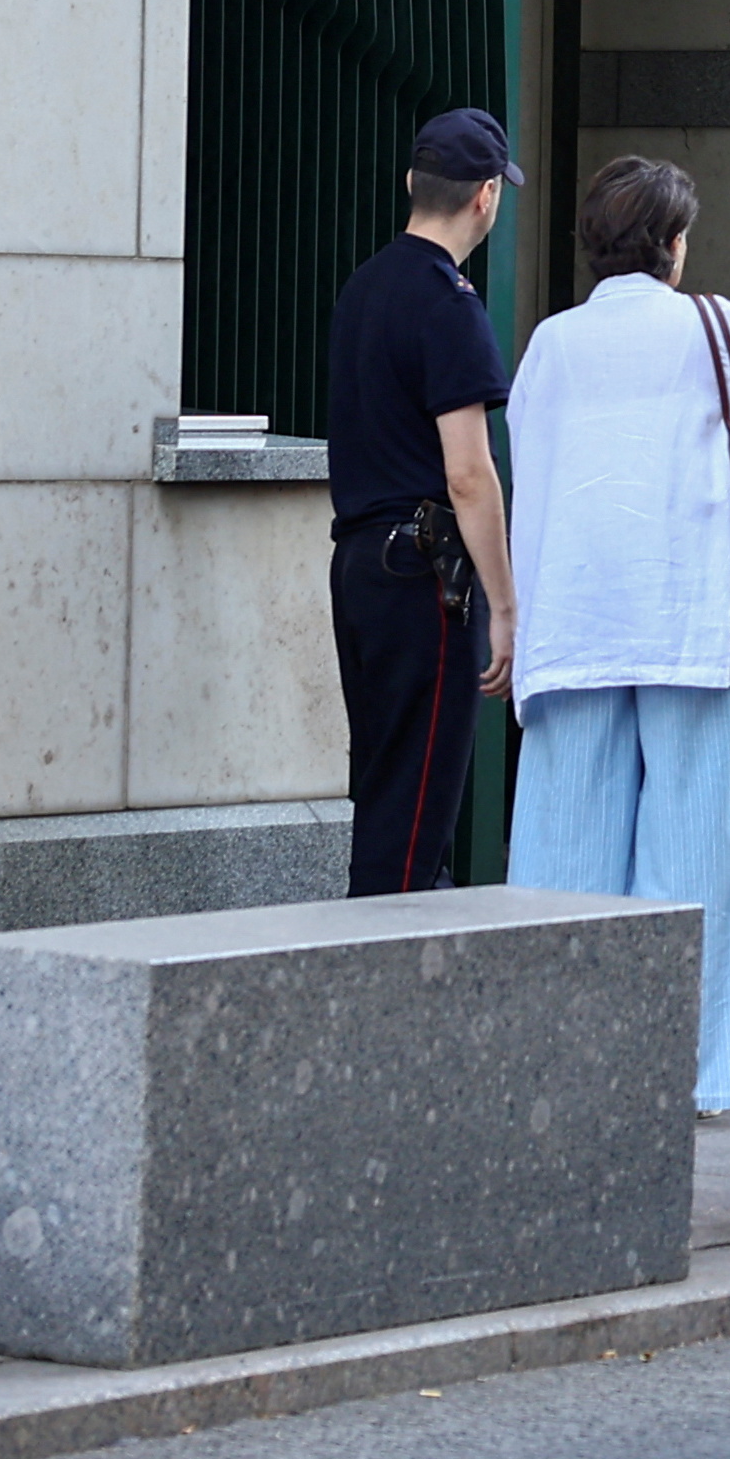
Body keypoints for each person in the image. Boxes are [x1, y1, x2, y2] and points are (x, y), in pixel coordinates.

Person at [499, 153, 730, 1111]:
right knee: (700, 870)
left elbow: (527, 468)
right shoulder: (712, 328)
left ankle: (563, 1073)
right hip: (683, 625)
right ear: (673, 245)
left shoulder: (550, 345)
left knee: (561, 874)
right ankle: (699, 1079)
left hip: (570, 630)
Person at [323, 109, 523, 897]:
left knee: (382, 789)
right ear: (485, 197)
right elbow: (469, 473)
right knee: (412, 820)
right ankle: (384, 989)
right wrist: (503, 604)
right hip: (422, 576)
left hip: (359, 565)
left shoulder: (364, 285)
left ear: (412, 182)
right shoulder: (447, 304)